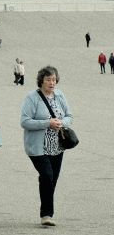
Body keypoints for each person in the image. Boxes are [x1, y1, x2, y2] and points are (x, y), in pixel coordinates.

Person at [20, 65, 73, 226]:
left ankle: (46, 211)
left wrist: (61, 122)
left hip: (57, 146)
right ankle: (46, 215)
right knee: (47, 176)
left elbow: (69, 116)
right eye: (48, 79)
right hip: (38, 147)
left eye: (54, 79)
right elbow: (24, 121)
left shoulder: (59, 95)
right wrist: (47, 123)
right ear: (41, 81)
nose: (52, 82)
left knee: (51, 180)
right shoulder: (32, 98)